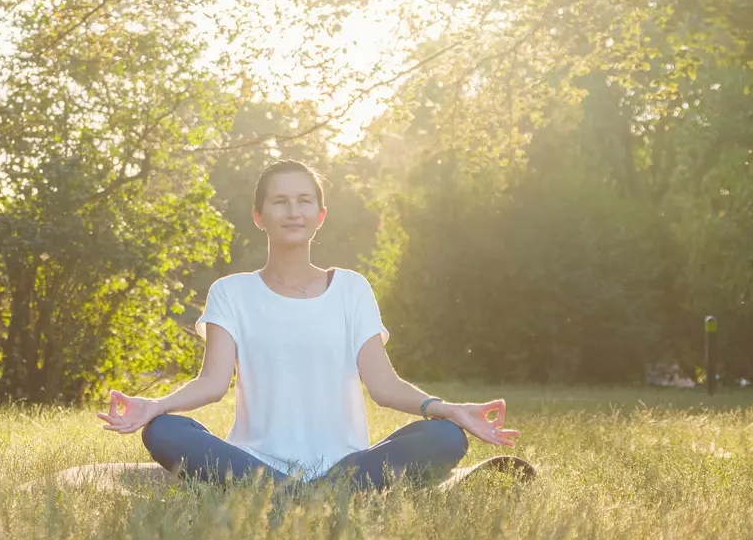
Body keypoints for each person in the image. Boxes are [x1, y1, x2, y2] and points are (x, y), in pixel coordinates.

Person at [96, 159, 519, 487]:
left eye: (304, 201)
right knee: (165, 431)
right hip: (253, 463)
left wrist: (449, 409)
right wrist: (155, 406)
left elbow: (385, 387)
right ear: (260, 216)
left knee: (446, 438)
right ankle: (298, 494)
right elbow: (211, 383)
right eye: (279, 201)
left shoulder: (352, 288)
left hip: (347, 467)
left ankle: (297, 496)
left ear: (320, 215)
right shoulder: (231, 292)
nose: (293, 211)